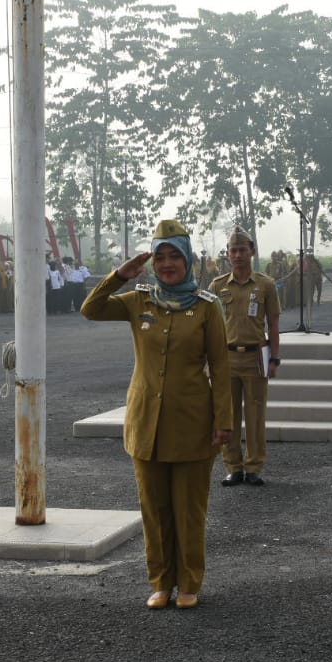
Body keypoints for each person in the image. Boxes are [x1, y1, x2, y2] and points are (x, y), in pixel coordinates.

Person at [80, 218, 232, 610]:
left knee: (189, 510)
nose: (167, 264)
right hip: (146, 422)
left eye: (174, 257)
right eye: (160, 257)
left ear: (188, 260)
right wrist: (119, 275)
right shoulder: (138, 301)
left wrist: (224, 422)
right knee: (154, 509)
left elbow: (221, 367)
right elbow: (90, 309)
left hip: (193, 424)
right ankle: (161, 581)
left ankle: (189, 582)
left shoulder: (206, 307)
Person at [210, 225, 281, 488]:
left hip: (255, 357)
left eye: (242, 250)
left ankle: (253, 466)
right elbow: (210, 327)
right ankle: (233, 467)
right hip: (226, 358)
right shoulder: (217, 286)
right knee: (227, 416)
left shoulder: (265, 285)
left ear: (251, 251)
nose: (238, 255)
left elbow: (273, 323)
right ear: (227, 254)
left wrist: (275, 358)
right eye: (233, 250)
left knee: (255, 414)